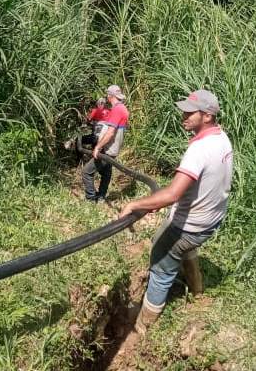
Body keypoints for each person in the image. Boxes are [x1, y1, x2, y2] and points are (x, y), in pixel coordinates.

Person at [119, 89, 233, 335]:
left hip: (189, 226)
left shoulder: (199, 150)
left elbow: (172, 194)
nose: (183, 115)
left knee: (161, 266)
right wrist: (155, 204)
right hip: (210, 221)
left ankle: (142, 325)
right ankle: (197, 290)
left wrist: (136, 204)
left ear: (207, 116)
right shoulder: (222, 138)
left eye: (190, 112)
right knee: (185, 248)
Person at [82, 85, 129, 202]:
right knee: (106, 173)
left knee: (87, 172)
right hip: (113, 149)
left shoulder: (117, 110)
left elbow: (110, 133)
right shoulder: (123, 108)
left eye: (108, 95)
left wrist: (98, 147)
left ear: (110, 96)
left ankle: (91, 198)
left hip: (108, 149)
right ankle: (101, 196)